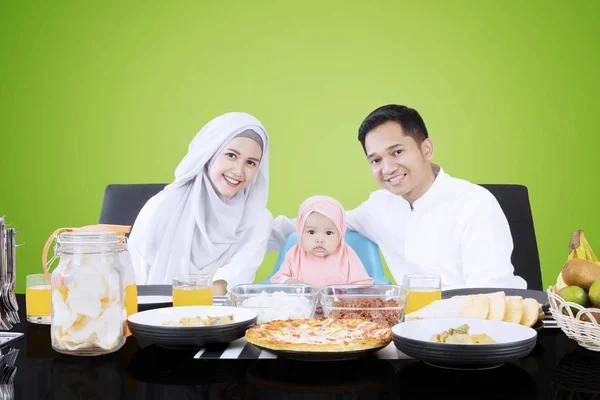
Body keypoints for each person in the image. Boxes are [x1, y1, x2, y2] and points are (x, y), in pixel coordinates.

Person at [269, 105, 526, 290]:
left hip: (473, 332)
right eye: (376, 160)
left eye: (397, 152)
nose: (388, 168)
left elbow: (491, 294)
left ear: (426, 149)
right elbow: (323, 222)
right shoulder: (379, 206)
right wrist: (248, 231)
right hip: (409, 329)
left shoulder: (475, 203)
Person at [128, 112, 272, 295]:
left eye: (251, 163)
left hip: (220, 318)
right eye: (231, 155)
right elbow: (133, 279)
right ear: (210, 152)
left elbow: (227, 285)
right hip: (151, 315)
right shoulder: (161, 206)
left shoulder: (257, 218)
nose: (238, 170)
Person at [270, 195, 374, 287]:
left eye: (328, 233)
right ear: (300, 232)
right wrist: (288, 281)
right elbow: (278, 279)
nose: (319, 240)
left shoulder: (346, 254)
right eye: (311, 232)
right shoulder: (294, 254)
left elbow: (361, 284)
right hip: (303, 306)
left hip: (336, 306)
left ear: (340, 233)